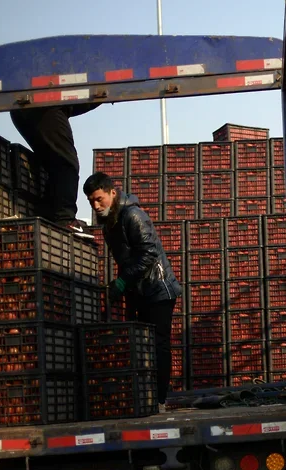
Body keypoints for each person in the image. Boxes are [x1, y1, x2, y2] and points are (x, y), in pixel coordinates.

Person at [84, 172, 182, 411]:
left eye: (99, 199)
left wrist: (122, 281)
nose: (96, 205)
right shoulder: (110, 222)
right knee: (141, 345)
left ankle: (159, 400)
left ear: (112, 193)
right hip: (139, 290)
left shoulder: (133, 215)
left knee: (158, 345)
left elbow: (148, 253)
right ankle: (146, 397)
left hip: (157, 288)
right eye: (91, 202)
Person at [11, 104, 98, 237]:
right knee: (67, 164)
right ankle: (64, 219)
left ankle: (47, 216)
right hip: (43, 105)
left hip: (25, 108)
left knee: (55, 166)